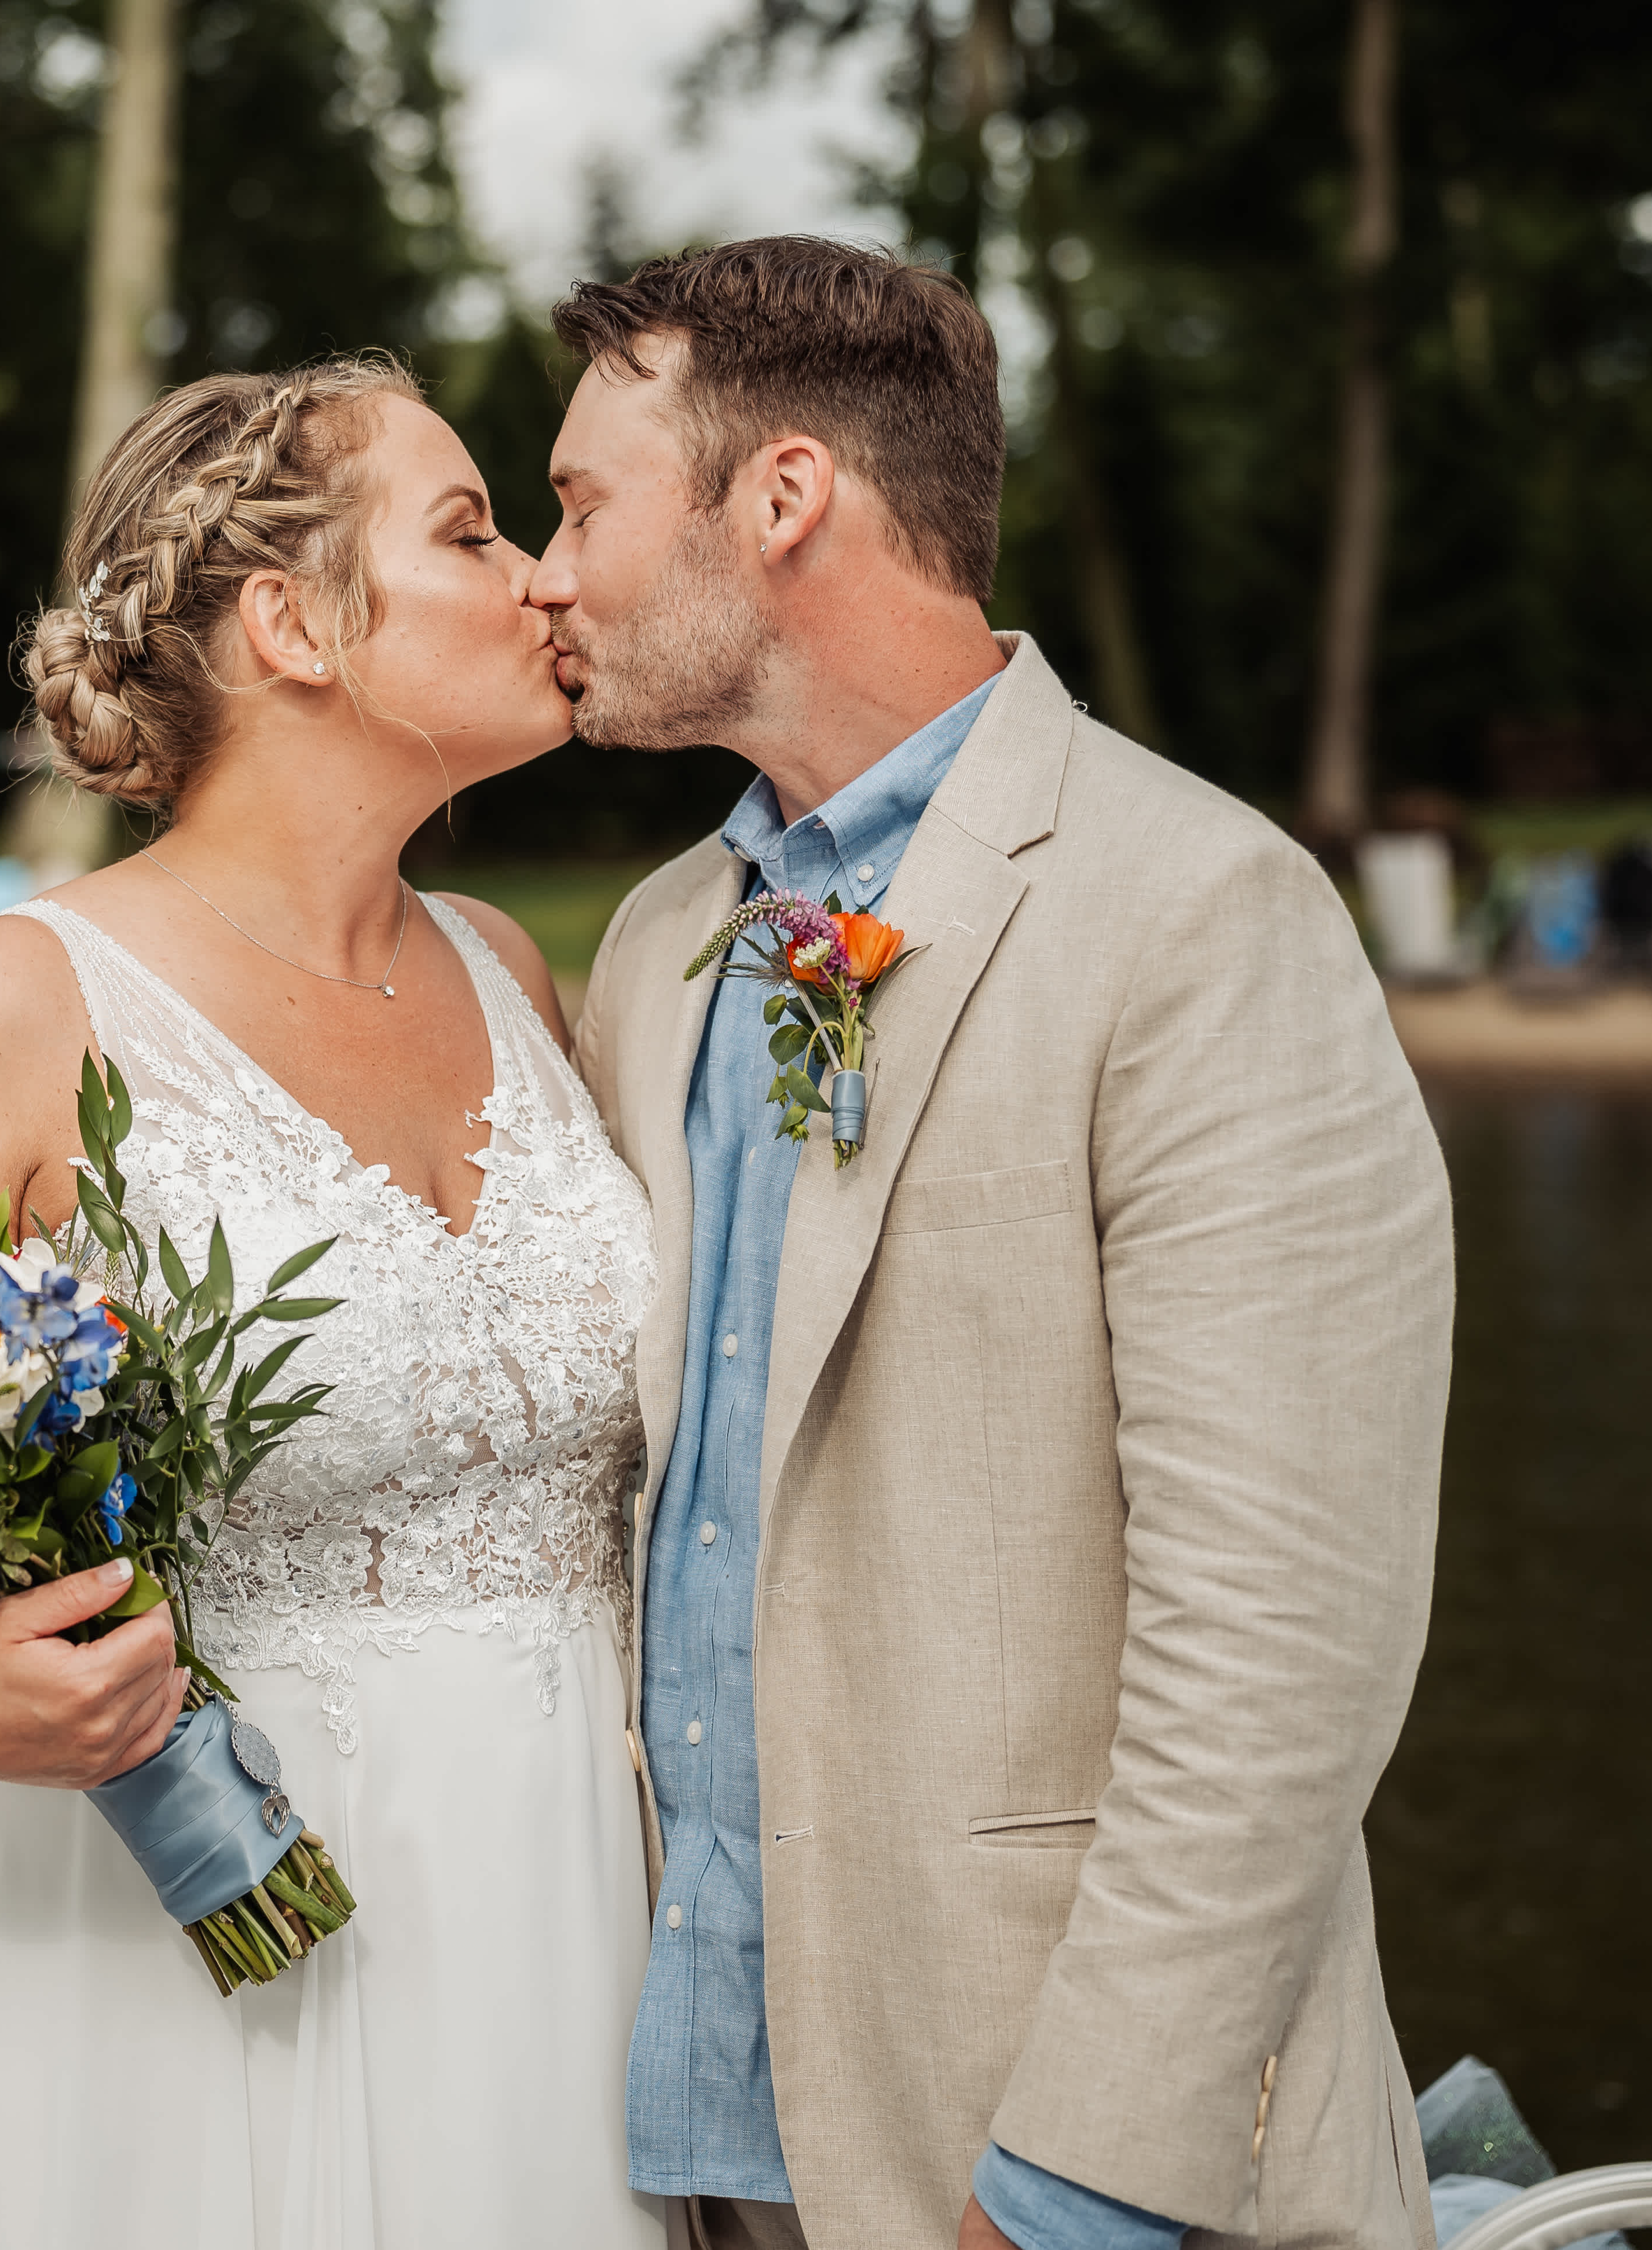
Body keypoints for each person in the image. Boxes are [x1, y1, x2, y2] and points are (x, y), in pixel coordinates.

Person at [546, 237, 1455, 2250]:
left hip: (1045, 2148)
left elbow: (1285, 1643)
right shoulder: (660, 944)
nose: (547, 573)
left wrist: (1076, 2185)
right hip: (702, 2139)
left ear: (783, 497)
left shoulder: (1205, 912)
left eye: (582, 505)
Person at [0, 357, 671, 2249]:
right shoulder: (11, 1003)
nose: (539, 577)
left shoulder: (512, 971)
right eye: (470, 533)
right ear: (291, 624)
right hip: (145, 1940)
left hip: (546, 1911)